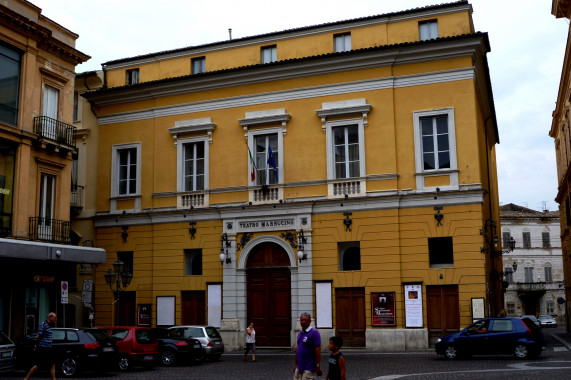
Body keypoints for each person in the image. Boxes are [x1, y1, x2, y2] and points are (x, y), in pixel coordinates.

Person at [24, 312, 57, 380]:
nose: (56, 319)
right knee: (39, 364)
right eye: (55, 317)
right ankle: (26, 378)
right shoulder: (43, 324)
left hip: (49, 348)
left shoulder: (50, 325)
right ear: (50, 317)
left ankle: (54, 379)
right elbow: (38, 336)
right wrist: (36, 344)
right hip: (43, 348)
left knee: (53, 364)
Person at [294, 312, 322, 379]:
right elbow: (298, 349)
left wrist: (317, 366)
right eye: (302, 320)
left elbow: (318, 350)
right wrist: (296, 364)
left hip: (309, 367)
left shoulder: (314, 333)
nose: (303, 322)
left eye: (306, 320)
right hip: (299, 366)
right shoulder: (300, 332)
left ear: (309, 321)